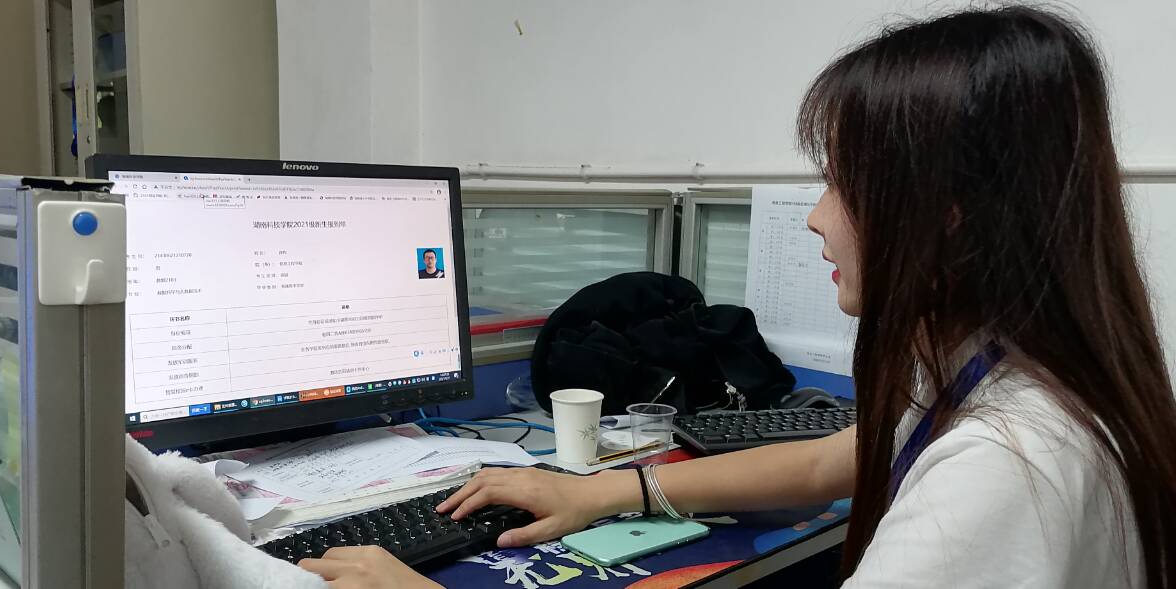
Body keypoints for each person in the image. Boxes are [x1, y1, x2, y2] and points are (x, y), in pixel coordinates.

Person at [301, 6, 1176, 588]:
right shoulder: (1001, 369)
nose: (818, 217)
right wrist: (605, 493)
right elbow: (831, 461)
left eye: (843, 182)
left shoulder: (1008, 467)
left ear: (947, 217)